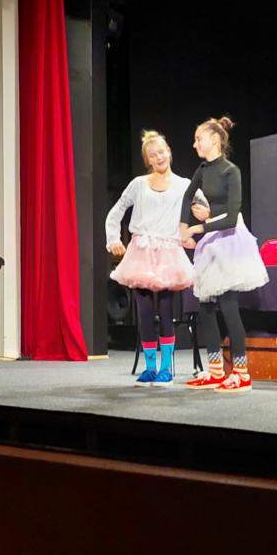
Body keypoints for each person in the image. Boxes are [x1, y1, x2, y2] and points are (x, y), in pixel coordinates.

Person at [179, 116, 269, 393]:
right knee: (205, 308)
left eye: (199, 139)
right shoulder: (203, 169)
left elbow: (230, 218)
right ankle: (216, 370)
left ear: (214, 140)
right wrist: (183, 228)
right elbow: (187, 196)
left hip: (229, 238)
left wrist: (198, 227)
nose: (194, 144)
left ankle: (241, 373)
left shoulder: (231, 171)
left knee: (228, 305)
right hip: (210, 238)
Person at [106, 131, 195, 386]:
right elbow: (116, 211)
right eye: (153, 154)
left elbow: (203, 206)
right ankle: (150, 367)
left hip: (168, 252)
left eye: (161, 151)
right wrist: (113, 239)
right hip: (142, 251)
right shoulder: (139, 184)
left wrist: (197, 225)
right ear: (148, 160)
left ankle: (166, 367)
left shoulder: (183, 184)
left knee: (166, 311)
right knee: (144, 313)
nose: (159, 157)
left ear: (169, 152)